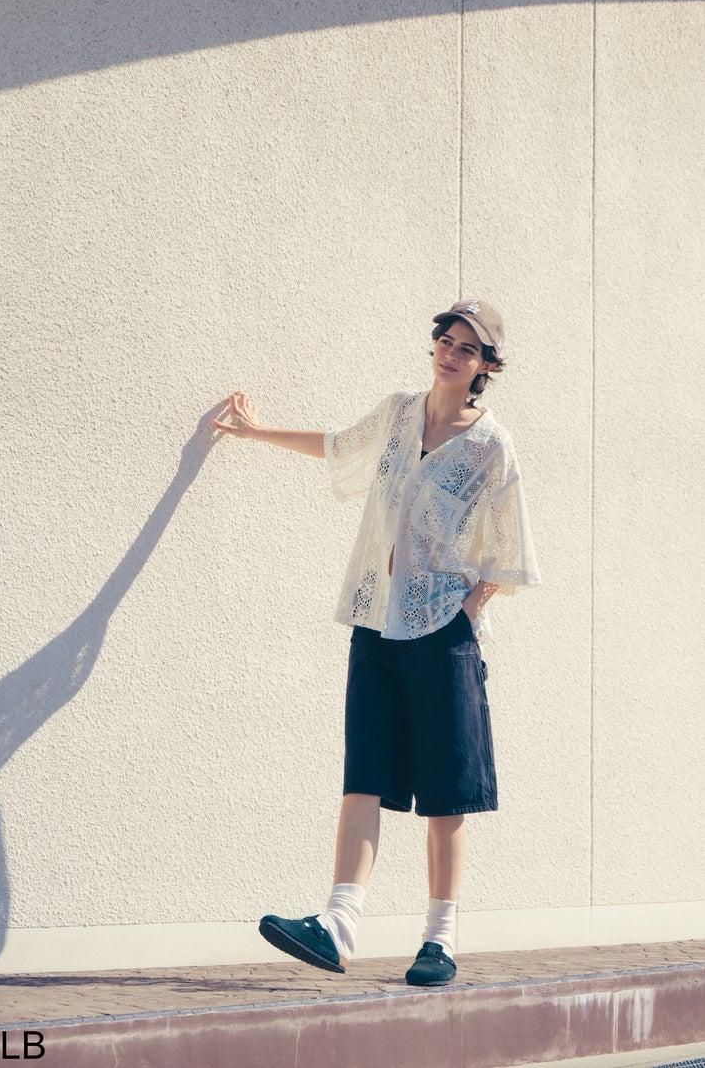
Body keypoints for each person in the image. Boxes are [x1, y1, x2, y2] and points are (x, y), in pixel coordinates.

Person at [210, 299, 541, 986]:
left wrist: (465, 613)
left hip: (442, 635)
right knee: (364, 775)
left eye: (468, 348)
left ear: (487, 365)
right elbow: (339, 446)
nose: (451, 353)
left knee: (446, 794)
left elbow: (507, 551)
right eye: (446, 340)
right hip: (377, 622)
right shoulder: (397, 414)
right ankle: (338, 925)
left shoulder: (491, 446)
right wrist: (256, 432)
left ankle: (439, 941)